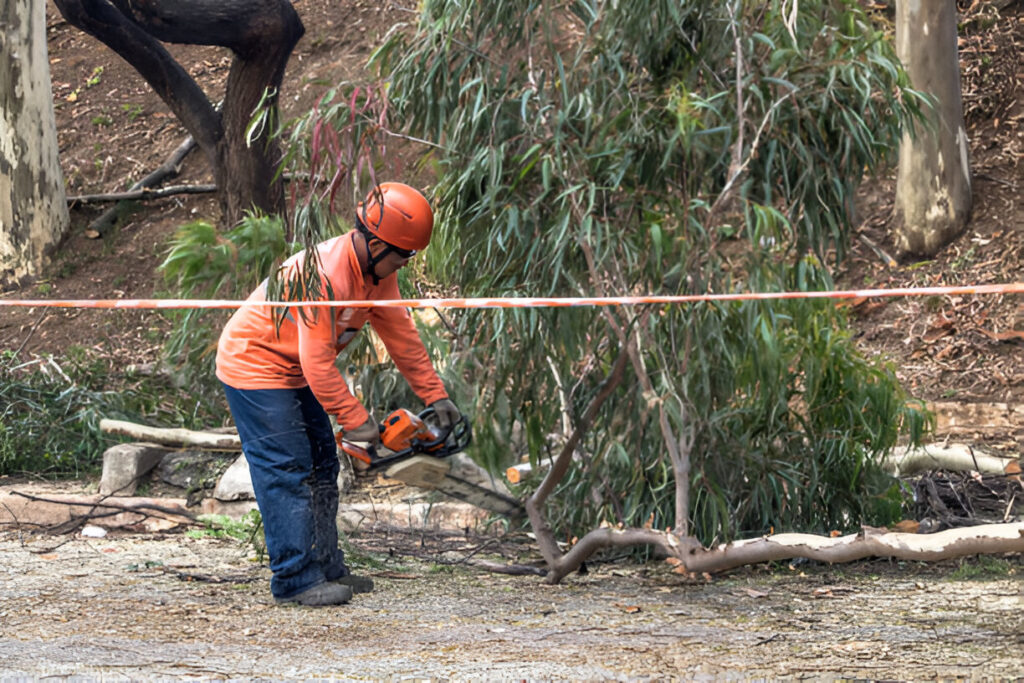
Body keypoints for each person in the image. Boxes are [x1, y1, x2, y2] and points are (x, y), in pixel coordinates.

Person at [215, 182, 461, 607]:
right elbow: (318, 364)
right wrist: (356, 419)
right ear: (377, 243)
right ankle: (294, 580)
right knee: (287, 466)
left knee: (324, 464)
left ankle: (327, 566)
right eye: (404, 254)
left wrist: (435, 396)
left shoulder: (378, 275)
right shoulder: (326, 274)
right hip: (254, 363)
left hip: (293, 368)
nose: (405, 262)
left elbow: (402, 337)